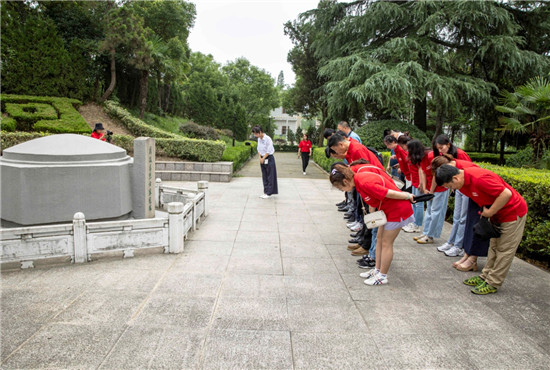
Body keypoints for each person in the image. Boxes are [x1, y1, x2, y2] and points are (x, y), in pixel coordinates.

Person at [435, 165, 528, 295]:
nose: (452, 190)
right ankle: (484, 277)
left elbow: (506, 193)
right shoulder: (463, 183)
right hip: (496, 216)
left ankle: (492, 282)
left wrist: (490, 212)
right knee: (493, 247)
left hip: (512, 213)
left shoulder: (479, 179)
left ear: (455, 178)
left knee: (504, 250)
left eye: (450, 186)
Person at [330, 163, 414, 285]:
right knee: (379, 238)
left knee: (386, 243)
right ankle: (377, 270)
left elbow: (387, 193)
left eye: (339, 187)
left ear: (345, 181)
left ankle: (382, 276)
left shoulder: (364, 183)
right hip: (386, 211)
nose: (341, 190)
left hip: (397, 210)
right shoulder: (358, 180)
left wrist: (407, 195)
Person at [431, 154, 489, 272]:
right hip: (474, 197)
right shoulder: (458, 175)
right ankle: (467, 255)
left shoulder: (469, 172)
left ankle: (472, 258)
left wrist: (489, 211)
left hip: (480, 199)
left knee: (475, 225)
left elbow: (504, 193)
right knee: (468, 224)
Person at [431, 135, 472, 257]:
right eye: (438, 148)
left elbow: (468, 172)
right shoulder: (445, 157)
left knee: (463, 218)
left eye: (441, 147)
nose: (440, 151)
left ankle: (459, 246)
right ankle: (451, 242)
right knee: (457, 216)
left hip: (466, 188)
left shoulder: (460, 154)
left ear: (448, 144)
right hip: (458, 187)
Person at [407, 140, 449, 244]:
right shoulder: (421, 158)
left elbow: (436, 175)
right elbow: (423, 172)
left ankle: (430, 235)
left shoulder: (431, 156)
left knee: (435, 212)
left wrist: (430, 191)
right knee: (429, 211)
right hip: (430, 188)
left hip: (439, 188)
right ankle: (426, 232)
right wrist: (425, 188)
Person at [252, 126, 278, 199]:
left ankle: (269, 192)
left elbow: (269, 150)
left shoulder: (268, 139)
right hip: (262, 158)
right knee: (264, 175)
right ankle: (265, 191)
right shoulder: (259, 139)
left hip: (268, 158)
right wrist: (260, 158)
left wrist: (263, 158)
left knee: (270, 175)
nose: (255, 135)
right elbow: (258, 149)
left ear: (260, 132)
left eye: (256, 134)